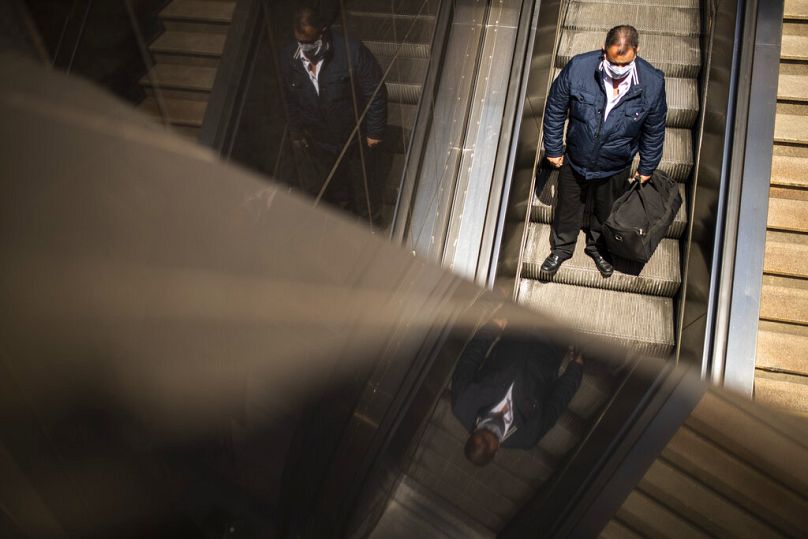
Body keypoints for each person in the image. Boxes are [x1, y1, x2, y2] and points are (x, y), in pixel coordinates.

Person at [540, 25, 667, 278]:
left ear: (637, 51)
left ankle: (598, 248)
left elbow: (654, 129)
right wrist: (553, 147)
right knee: (567, 207)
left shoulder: (652, 83)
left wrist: (647, 166)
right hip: (576, 157)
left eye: (625, 63)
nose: (618, 69)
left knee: (606, 210)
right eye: (613, 62)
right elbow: (555, 108)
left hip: (615, 165)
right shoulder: (579, 68)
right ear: (603, 50)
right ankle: (562, 248)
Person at [279, 5, 387, 225]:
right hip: (321, 143)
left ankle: (371, 225)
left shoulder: (350, 51)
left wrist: (374, 131)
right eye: (300, 42)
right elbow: (289, 100)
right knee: (338, 190)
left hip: (354, 138)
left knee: (363, 188)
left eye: (310, 41)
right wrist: (297, 132)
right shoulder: (289, 59)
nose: (305, 47)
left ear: (323, 31)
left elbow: (375, 90)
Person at [451, 320, 583, 466]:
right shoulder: (526, 436)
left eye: (486, 428)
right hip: (553, 344)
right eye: (495, 433)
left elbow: (470, 359)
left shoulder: (462, 403)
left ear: (473, 432)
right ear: (497, 450)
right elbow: (557, 403)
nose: (493, 426)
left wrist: (492, 327)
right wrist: (575, 370)